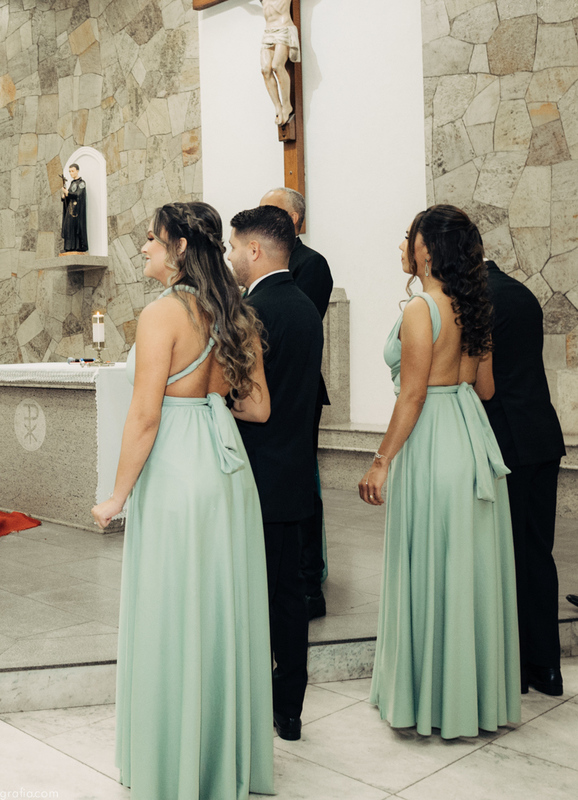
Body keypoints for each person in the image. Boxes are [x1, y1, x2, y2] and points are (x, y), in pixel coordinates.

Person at [92, 201, 273, 799]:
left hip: (176, 469)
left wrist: (115, 496)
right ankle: (222, 759)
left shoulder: (163, 314)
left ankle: (174, 761)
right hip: (226, 469)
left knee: (173, 611)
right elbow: (259, 408)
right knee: (219, 608)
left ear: (180, 249)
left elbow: (145, 417)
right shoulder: (237, 313)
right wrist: (211, 399)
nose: (144, 246)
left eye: (152, 238)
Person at [360, 205, 520, 738]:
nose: (403, 244)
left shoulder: (421, 308)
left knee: (428, 563)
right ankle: (471, 699)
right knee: (465, 568)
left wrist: (381, 461)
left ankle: (427, 700)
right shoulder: (475, 306)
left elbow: (413, 395)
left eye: (409, 236)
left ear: (426, 250)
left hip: (430, 439)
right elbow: (485, 388)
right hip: (471, 438)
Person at [229, 204, 323, 742]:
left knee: (251, 595)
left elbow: (250, 399)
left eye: (234, 247)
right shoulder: (306, 307)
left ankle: (247, 696)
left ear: (255, 249)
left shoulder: (251, 312)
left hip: (255, 473)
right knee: (289, 597)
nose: (231, 256)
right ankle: (289, 708)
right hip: (294, 472)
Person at [477, 258, 565, 697]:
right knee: (537, 553)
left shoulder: (476, 298)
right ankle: (546, 667)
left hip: (507, 440)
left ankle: (514, 665)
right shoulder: (522, 292)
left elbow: (484, 383)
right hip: (543, 436)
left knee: (507, 556)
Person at [261, 186, 333, 619]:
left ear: (294, 220)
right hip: (263, 386)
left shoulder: (311, 264)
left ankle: (309, 579)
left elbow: (297, 325)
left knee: (301, 480)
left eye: (269, 211)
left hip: (294, 387)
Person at [261, 0, 299, 126]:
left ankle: (287, 105)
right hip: (268, 32)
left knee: (277, 66)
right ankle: (277, 106)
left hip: (283, 28)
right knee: (265, 70)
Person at [60, 163, 88, 253]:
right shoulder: (72, 183)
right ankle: (69, 247)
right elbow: (69, 196)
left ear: (77, 171)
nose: (71, 173)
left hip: (77, 211)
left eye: (73, 171)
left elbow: (79, 194)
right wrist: (64, 196)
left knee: (76, 228)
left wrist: (68, 193)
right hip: (70, 209)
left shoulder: (81, 183)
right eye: (70, 171)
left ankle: (77, 246)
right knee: (68, 226)